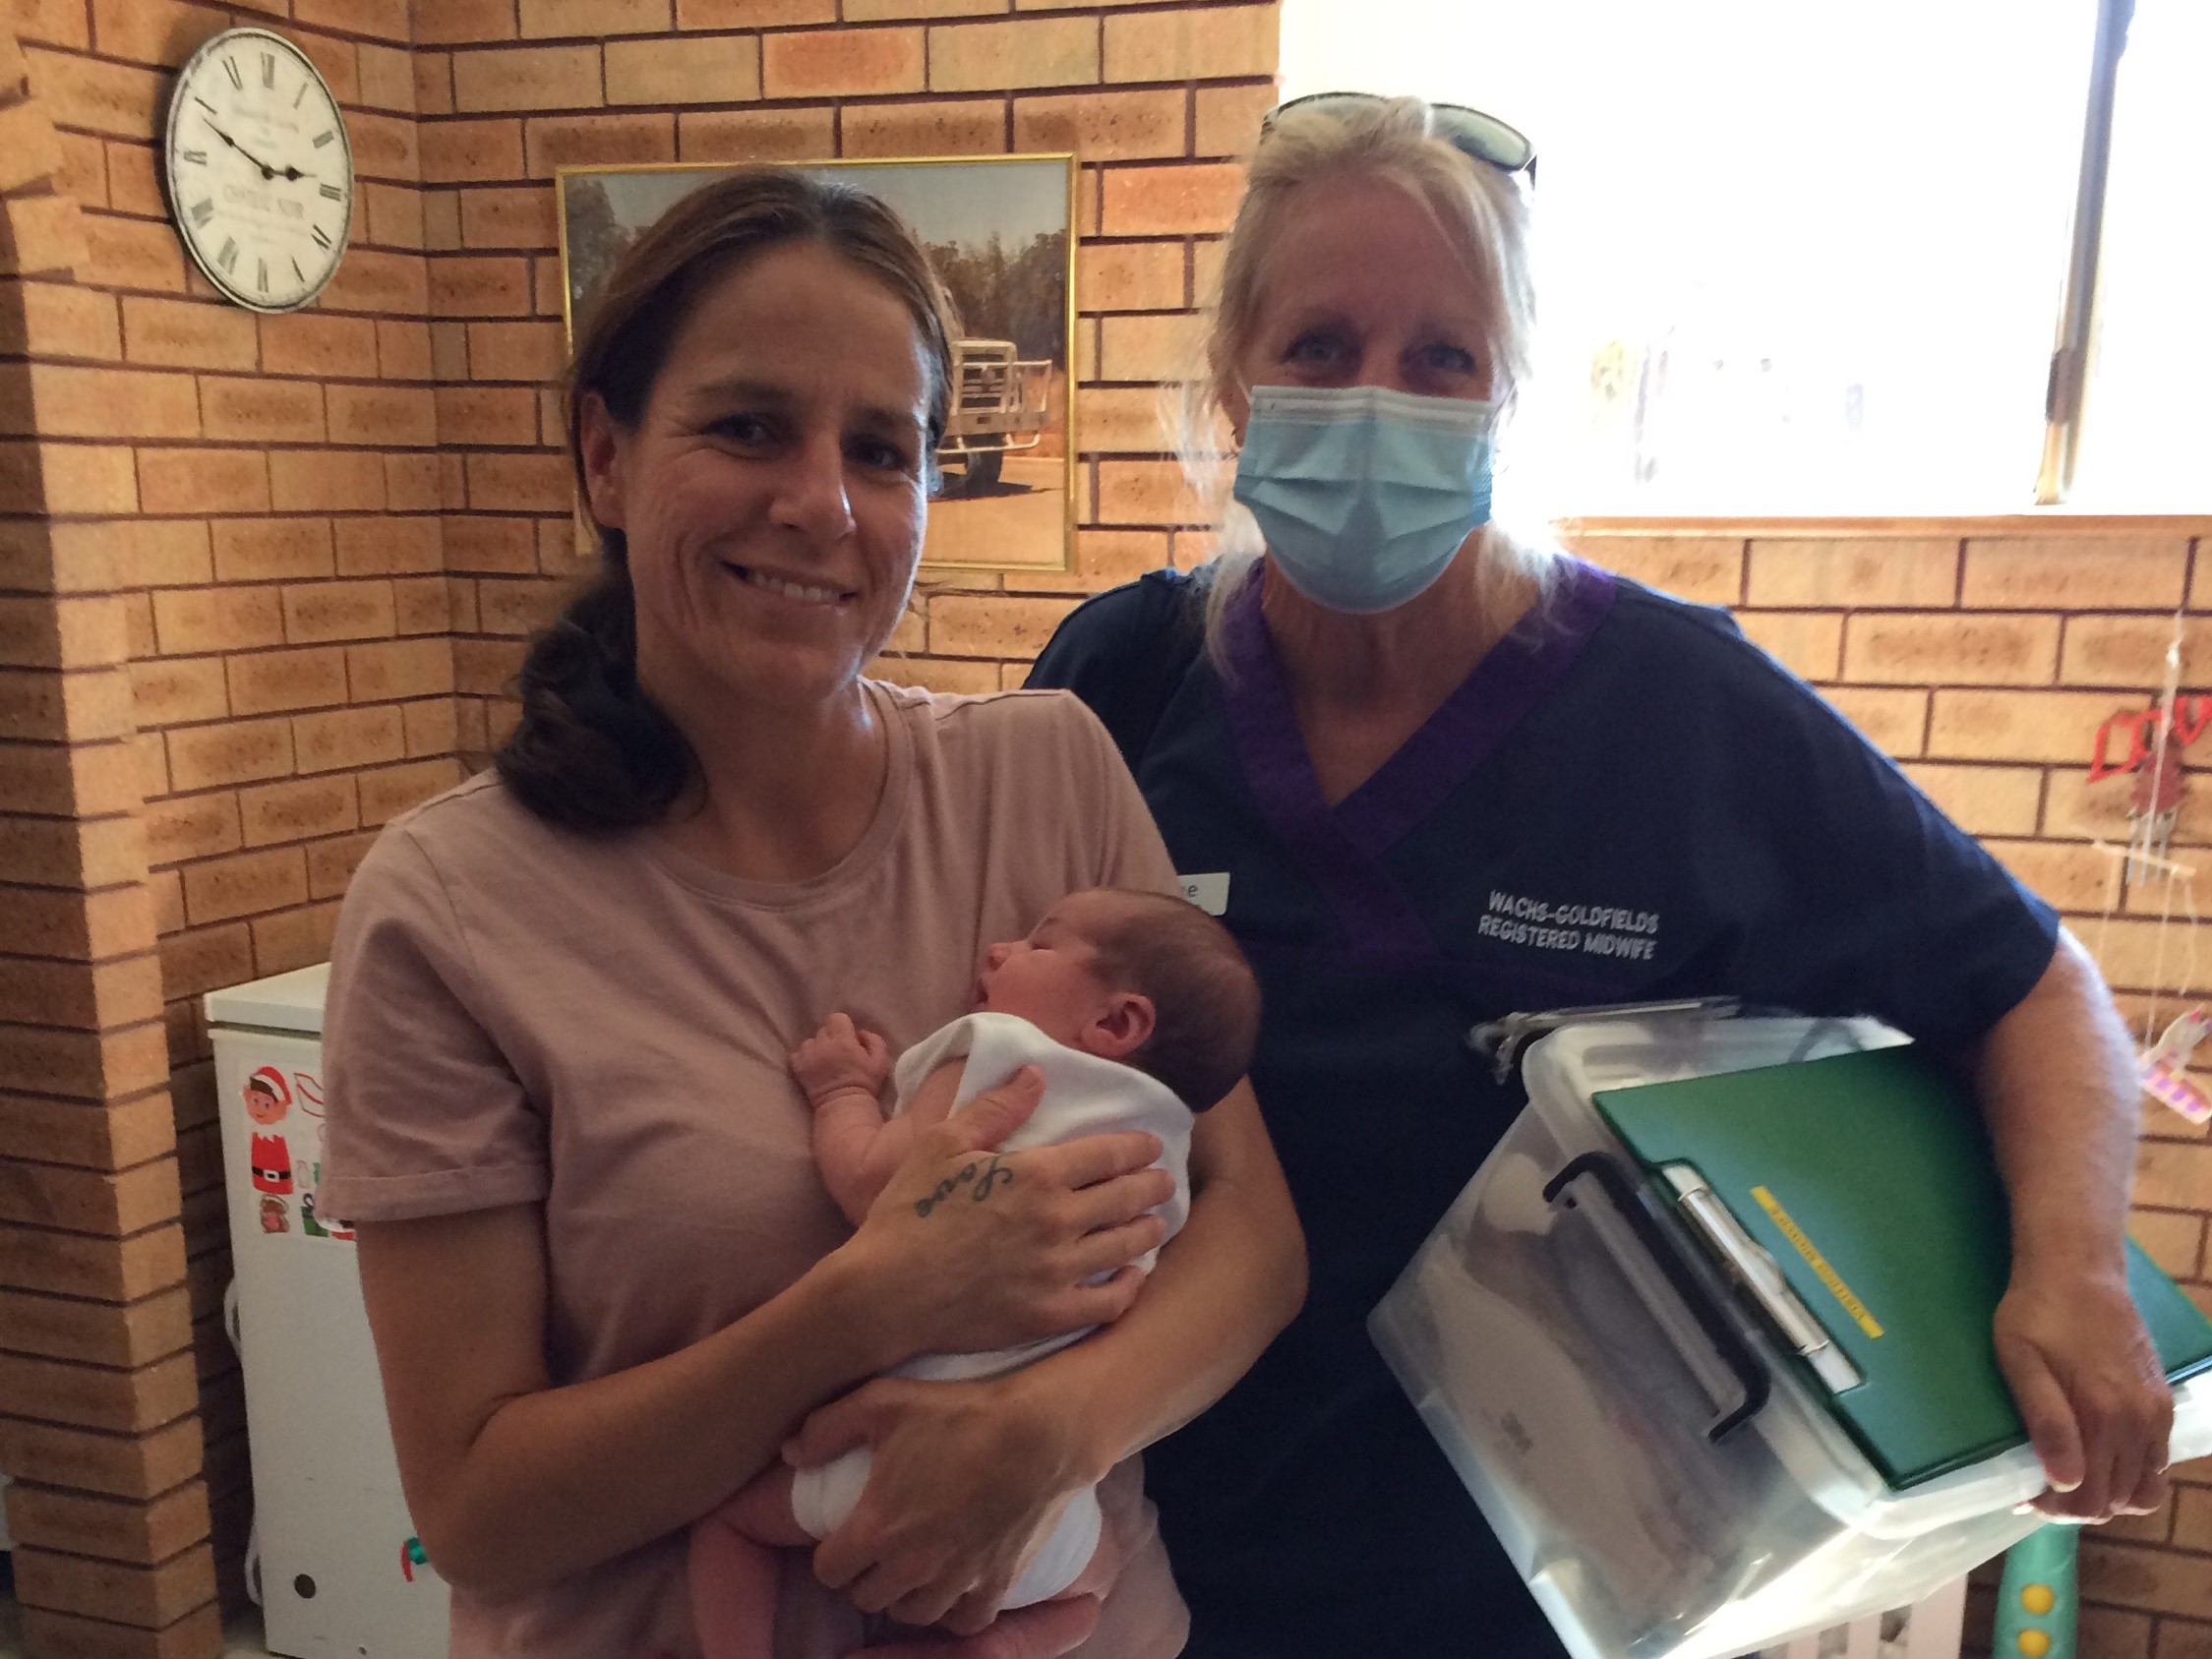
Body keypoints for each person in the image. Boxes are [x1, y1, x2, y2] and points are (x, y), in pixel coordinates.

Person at [1026, 92, 2178, 1659]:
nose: (1379, 399)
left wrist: (2073, 1266)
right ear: (1235, 376)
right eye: (1319, 346)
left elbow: (2031, 981)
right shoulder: (1124, 677)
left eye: (1443, 358)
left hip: (1541, 1599)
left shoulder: (1678, 708)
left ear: (1511, 394)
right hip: (1139, 1572)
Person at [317, 167, 1304, 1659]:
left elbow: (1255, 1240)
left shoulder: (1048, 774)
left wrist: (1044, 1429)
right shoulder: (451, 909)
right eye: (747, 426)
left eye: (881, 449)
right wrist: (867, 1302)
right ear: (604, 454)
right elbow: (476, 1503)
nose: (821, 504)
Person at [691, 887, 1262, 1659]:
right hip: (1046, 1510)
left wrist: (841, 1091)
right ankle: (1004, 1646)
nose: (999, 951)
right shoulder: (1166, 1146)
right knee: (1094, 1584)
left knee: (729, 1524)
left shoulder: (1001, 1051)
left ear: (1117, 1020)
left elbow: (873, 1185)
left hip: (895, 1454)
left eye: (1039, 943)